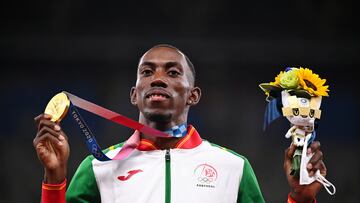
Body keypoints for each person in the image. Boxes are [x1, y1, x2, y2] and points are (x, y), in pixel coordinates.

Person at [33, 44, 327, 203]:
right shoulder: (98, 167)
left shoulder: (233, 168)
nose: (158, 78)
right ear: (135, 95)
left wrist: (300, 200)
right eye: (147, 72)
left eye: (173, 72)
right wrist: (54, 180)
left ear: (193, 95)